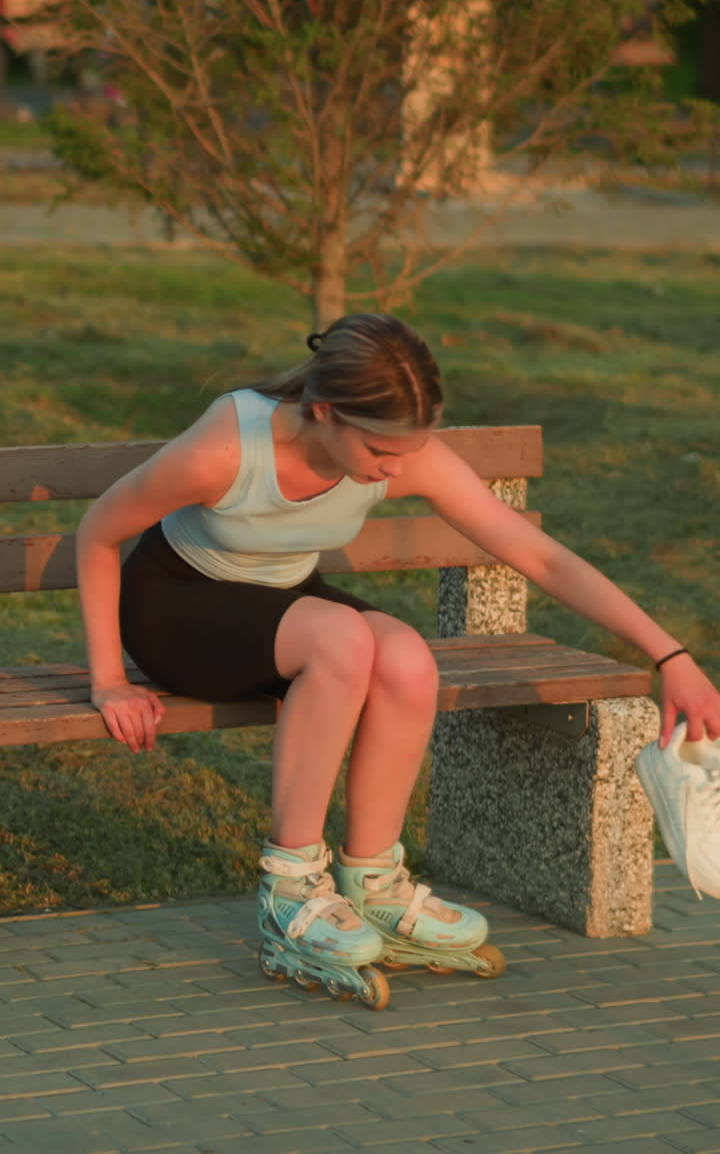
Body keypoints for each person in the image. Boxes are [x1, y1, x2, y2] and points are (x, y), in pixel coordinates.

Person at [76, 312, 720, 1006]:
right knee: (344, 640)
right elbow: (98, 532)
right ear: (324, 411)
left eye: (408, 448)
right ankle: (289, 890)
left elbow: (540, 556)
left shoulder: (397, 450)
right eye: (380, 450)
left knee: (408, 657)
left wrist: (671, 655)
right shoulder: (228, 446)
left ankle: (373, 883)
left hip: (280, 604)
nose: (394, 467)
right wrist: (109, 681)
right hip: (174, 607)